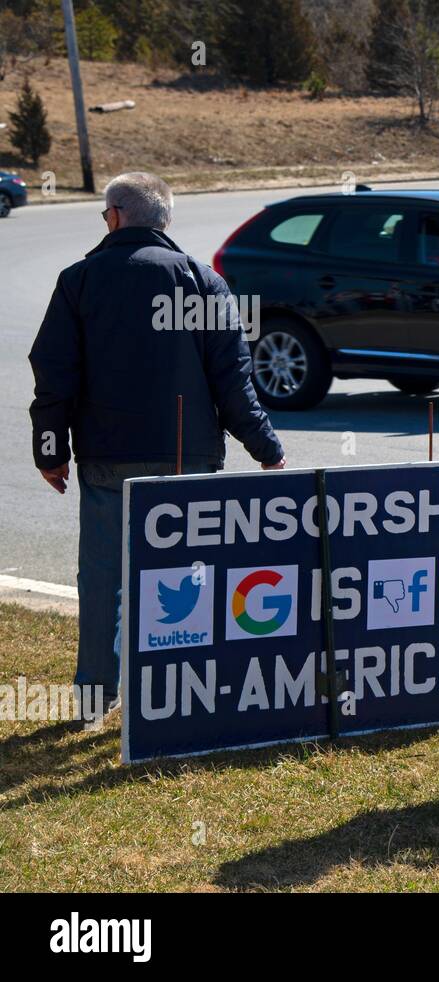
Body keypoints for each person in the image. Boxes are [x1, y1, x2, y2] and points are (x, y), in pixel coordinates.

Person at [29, 172, 285, 728]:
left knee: (103, 578)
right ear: (164, 220)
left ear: (116, 216)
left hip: (106, 460)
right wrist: (264, 446)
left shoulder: (79, 280)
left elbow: (54, 375)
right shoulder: (202, 281)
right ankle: (180, 692)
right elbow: (233, 380)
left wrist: (50, 451)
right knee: (189, 577)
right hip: (186, 460)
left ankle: (95, 698)